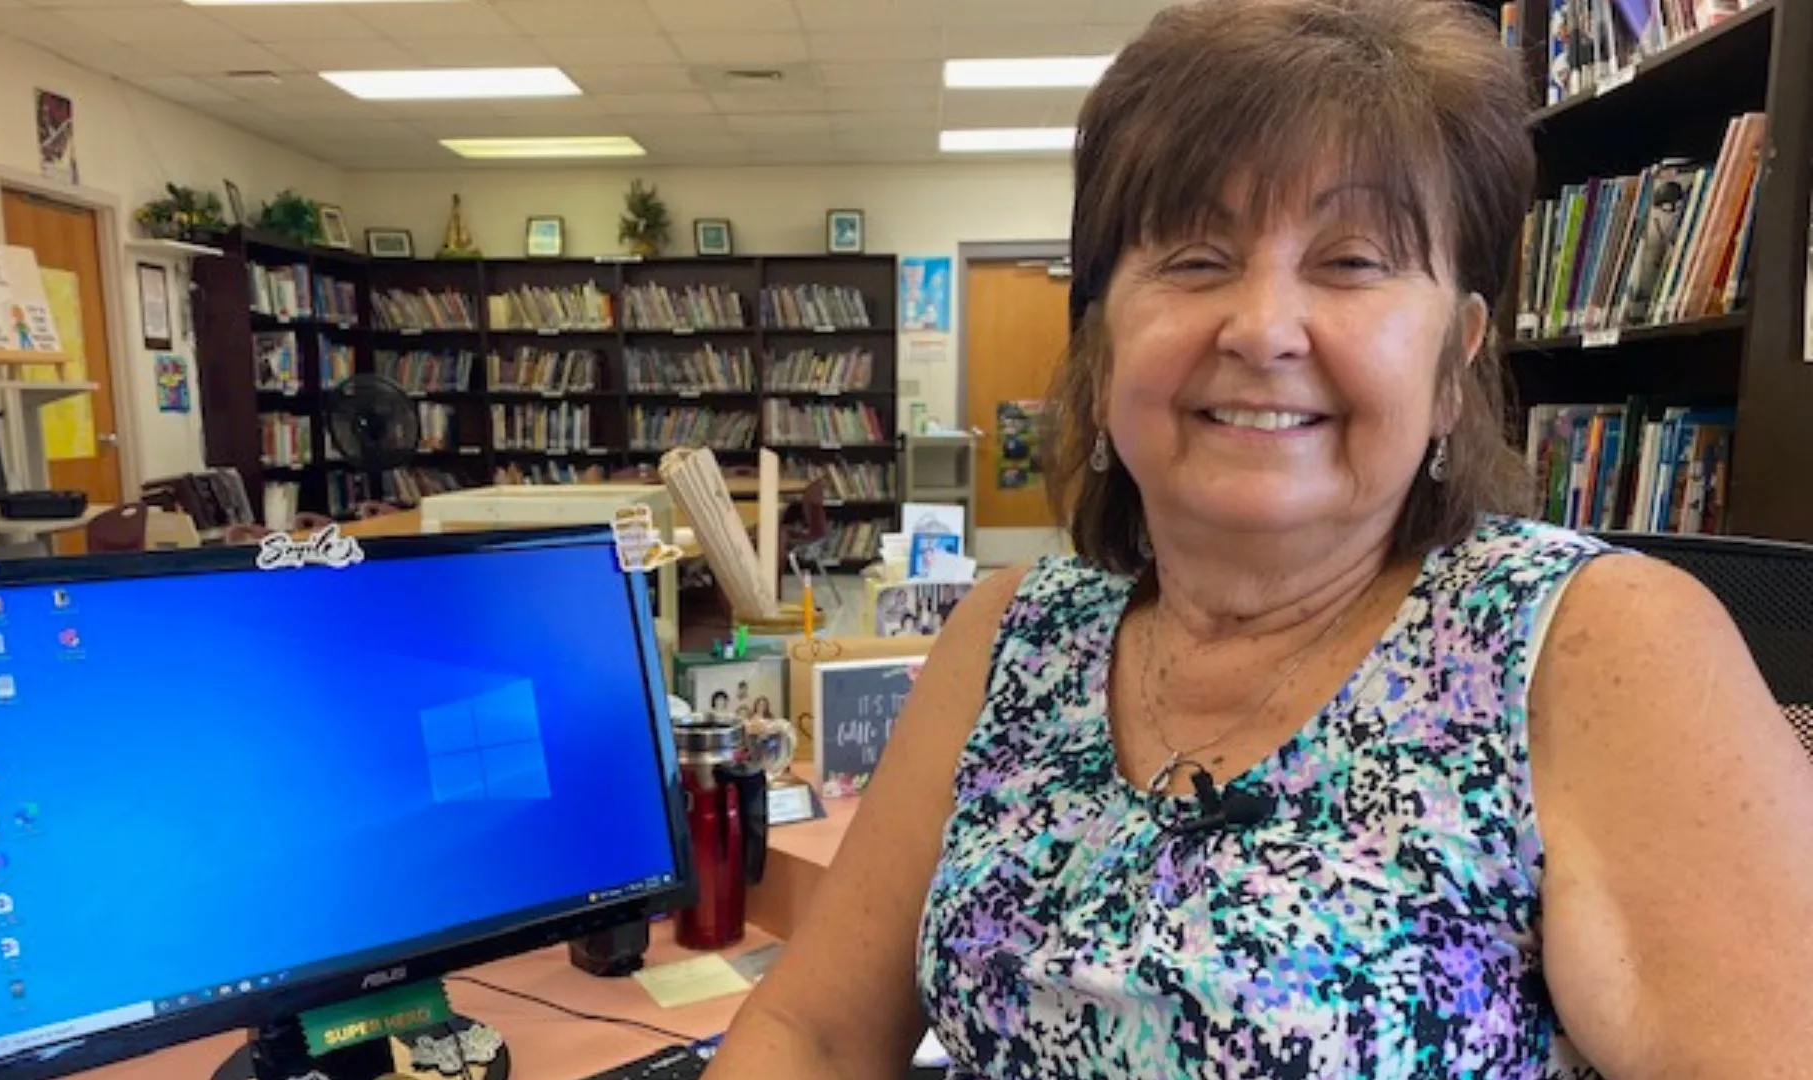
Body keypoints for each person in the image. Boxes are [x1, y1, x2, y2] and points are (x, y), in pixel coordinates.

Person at [703, 1, 1813, 1076]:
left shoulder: (1600, 650)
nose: (1263, 328)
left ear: (1454, 357)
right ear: (1098, 345)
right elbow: (818, 1034)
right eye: (1194, 258)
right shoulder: (1009, 637)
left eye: (1353, 260)